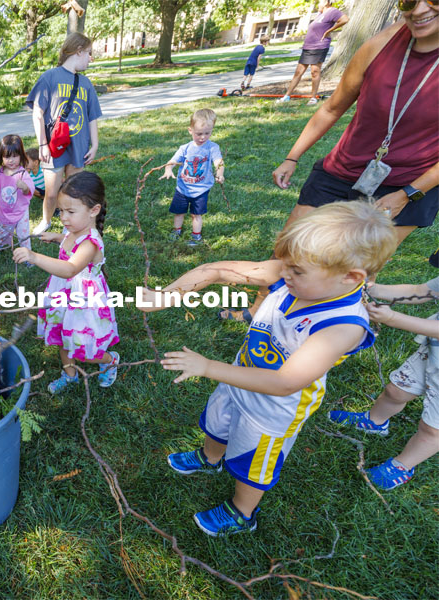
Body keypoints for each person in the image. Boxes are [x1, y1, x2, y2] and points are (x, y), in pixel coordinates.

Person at [138, 201, 397, 536]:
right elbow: (216, 270)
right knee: (217, 423)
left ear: (351, 277)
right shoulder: (294, 275)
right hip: (238, 379)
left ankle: (242, 512)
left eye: (296, 271)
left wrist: (207, 366)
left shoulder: (342, 326)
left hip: (274, 410)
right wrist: (167, 295)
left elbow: (285, 382)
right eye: (285, 264)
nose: (282, 273)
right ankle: (209, 458)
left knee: (252, 465)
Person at [224, 2, 439, 322]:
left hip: (413, 182)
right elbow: (331, 108)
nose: (419, 9)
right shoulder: (381, 45)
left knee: (359, 263)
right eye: (409, 0)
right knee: (291, 246)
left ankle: (335, 325)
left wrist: (406, 193)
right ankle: (258, 310)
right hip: (345, 168)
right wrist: (291, 157)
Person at [12, 172, 120, 394]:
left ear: (94, 210)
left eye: (71, 212)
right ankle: (70, 375)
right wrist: (58, 238)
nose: (64, 217)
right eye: (61, 211)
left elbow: (70, 268)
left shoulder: (91, 243)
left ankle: (109, 360)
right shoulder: (72, 230)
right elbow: (70, 242)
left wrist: (34, 257)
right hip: (63, 295)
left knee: (84, 347)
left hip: (83, 301)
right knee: (62, 336)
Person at [329, 276, 439, 490]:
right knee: (396, 390)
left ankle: (402, 465)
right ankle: (375, 421)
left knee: (432, 428)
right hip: (432, 353)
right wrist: (374, 289)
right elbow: (420, 290)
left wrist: (393, 318)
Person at [27, 32, 101, 235]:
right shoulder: (49, 77)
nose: (90, 58)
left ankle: (71, 225)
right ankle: (46, 220)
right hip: (54, 147)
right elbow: (38, 113)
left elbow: (92, 116)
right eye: (88, 53)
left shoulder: (86, 83)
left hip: (79, 146)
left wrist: (94, 145)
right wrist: (42, 144)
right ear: (78, 51)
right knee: (51, 193)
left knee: (75, 191)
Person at [159, 108, 225, 247]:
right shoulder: (185, 148)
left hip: (201, 189)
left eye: (207, 133)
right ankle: (176, 231)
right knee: (178, 212)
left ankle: (196, 237)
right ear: (190, 130)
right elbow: (172, 161)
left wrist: (220, 173)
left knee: (196, 214)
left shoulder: (212, 147)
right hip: (182, 188)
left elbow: (219, 162)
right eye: (199, 134)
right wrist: (168, 168)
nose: (203, 137)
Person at [278, 1, 348, 105]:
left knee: (315, 72)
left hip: (319, 46)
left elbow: (345, 19)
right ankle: (287, 96)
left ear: (326, 2)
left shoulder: (332, 11)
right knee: (298, 72)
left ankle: (313, 98)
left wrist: (329, 31)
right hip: (308, 47)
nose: (318, 4)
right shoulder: (320, 14)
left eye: (320, 2)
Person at [0, 134, 35, 261]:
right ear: (1, 157)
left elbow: (29, 190)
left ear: (21, 155)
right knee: (3, 232)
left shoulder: (22, 173)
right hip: (5, 211)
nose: (11, 160)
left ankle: (27, 255)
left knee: (23, 234)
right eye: (7, 157)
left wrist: (24, 187)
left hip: (21, 211)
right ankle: (1, 246)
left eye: (15, 156)